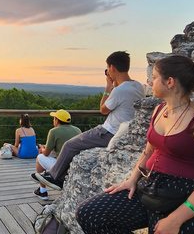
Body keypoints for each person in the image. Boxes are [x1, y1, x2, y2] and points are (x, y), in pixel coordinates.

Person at [75, 55, 194, 234]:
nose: (149, 82)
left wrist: (175, 220)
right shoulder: (160, 110)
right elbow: (149, 151)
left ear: (169, 82)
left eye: (154, 77)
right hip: (151, 189)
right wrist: (132, 179)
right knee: (89, 214)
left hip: (183, 198)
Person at [33, 51, 145, 190]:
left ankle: (55, 177)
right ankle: (58, 175)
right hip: (125, 132)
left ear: (112, 68)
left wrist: (108, 86)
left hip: (109, 132)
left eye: (109, 69)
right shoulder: (138, 86)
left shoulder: (119, 90)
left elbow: (103, 109)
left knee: (70, 145)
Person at [31, 109, 82, 200]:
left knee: (40, 157)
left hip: (62, 166)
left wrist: (42, 148)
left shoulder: (53, 131)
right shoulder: (77, 130)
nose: (53, 120)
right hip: (75, 165)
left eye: (54, 118)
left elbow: (46, 153)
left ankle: (42, 191)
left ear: (57, 120)